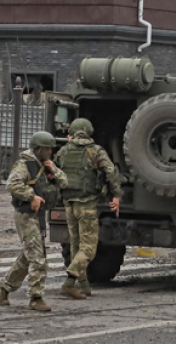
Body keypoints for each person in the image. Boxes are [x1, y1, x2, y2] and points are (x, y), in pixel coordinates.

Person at [0, 131, 68, 312]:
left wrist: (53, 169)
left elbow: (65, 183)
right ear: (38, 148)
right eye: (47, 148)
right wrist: (31, 196)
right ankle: (36, 297)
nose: (50, 151)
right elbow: (12, 185)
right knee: (38, 258)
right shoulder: (25, 164)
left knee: (27, 258)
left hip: (38, 216)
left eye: (51, 148)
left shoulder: (45, 165)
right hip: (26, 215)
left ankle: (4, 287)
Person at [53, 118, 123, 299]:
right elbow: (110, 172)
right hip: (87, 204)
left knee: (76, 246)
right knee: (89, 248)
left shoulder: (63, 151)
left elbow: (54, 171)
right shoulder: (95, 151)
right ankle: (69, 282)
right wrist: (116, 195)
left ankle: (84, 286)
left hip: (69, 205)